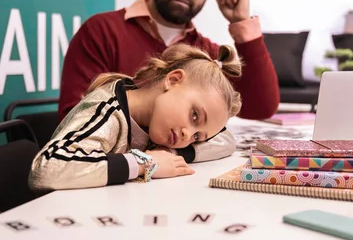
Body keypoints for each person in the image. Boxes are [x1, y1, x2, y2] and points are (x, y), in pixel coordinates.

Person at [58, 0, 279, 123]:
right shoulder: (102, 31)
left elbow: (261, 108)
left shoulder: (205, 54)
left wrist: (242, 25)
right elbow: (74, 120)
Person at [30, 44, 242, 191]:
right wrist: (145, 163)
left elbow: (226, 141)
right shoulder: (108, 111)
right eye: (194, 115)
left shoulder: (158, 122)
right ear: (173, 80)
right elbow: (47, 168)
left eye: (197, 137)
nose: (188, 135)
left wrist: (170, 153)